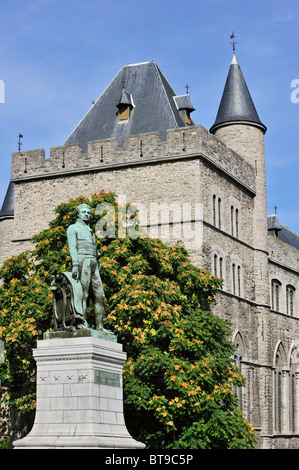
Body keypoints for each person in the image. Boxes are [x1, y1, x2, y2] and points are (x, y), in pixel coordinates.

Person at [67, 203, 105, 330]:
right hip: (82, 261)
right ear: (78, 214)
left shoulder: (90, 230)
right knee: (83, 294)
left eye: (88, 213)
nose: (87, 214)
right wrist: (75, 264)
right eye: (84, 212)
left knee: (100, 296)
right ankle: (81, 323)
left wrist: (96, 253)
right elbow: (72, 246)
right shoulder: (73, 228)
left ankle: (100, 327)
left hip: (93, 262)